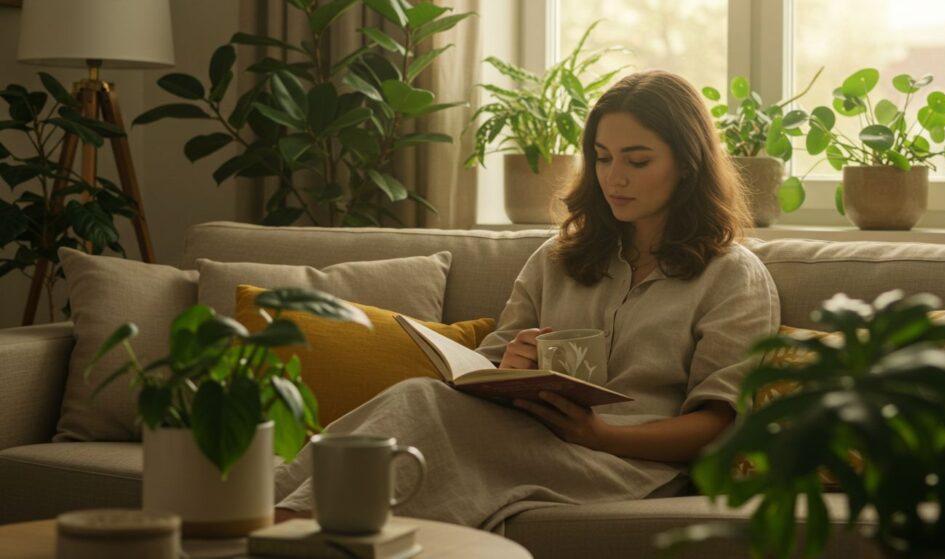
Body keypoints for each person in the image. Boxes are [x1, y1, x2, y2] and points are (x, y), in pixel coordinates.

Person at [273, 70, 780, 531]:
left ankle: (283, 523)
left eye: (637, 160)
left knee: (418, 402)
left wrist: (601, 435)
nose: (614, 177)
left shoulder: (732, 276)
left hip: (631, 465)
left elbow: (719, 424)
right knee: (418, 395)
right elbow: (483, 367)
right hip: (531, 436)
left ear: (687, 165)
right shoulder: (557, 258)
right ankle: (265, 511)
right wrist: (509, 363)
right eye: (602, 158)